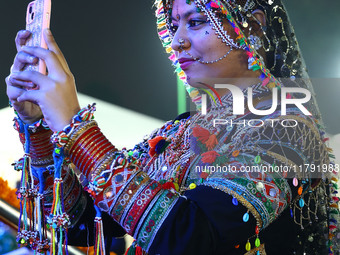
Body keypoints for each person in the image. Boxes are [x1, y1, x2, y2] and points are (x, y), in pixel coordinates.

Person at [5, 0, 340, 254]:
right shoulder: (176, 132)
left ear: (252, 27)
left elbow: (188, 238)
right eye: (174, 24)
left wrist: (76, 127)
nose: (177, 41)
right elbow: (81, 222)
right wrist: (40, 127)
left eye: (195, 22)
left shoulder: (289, 130)